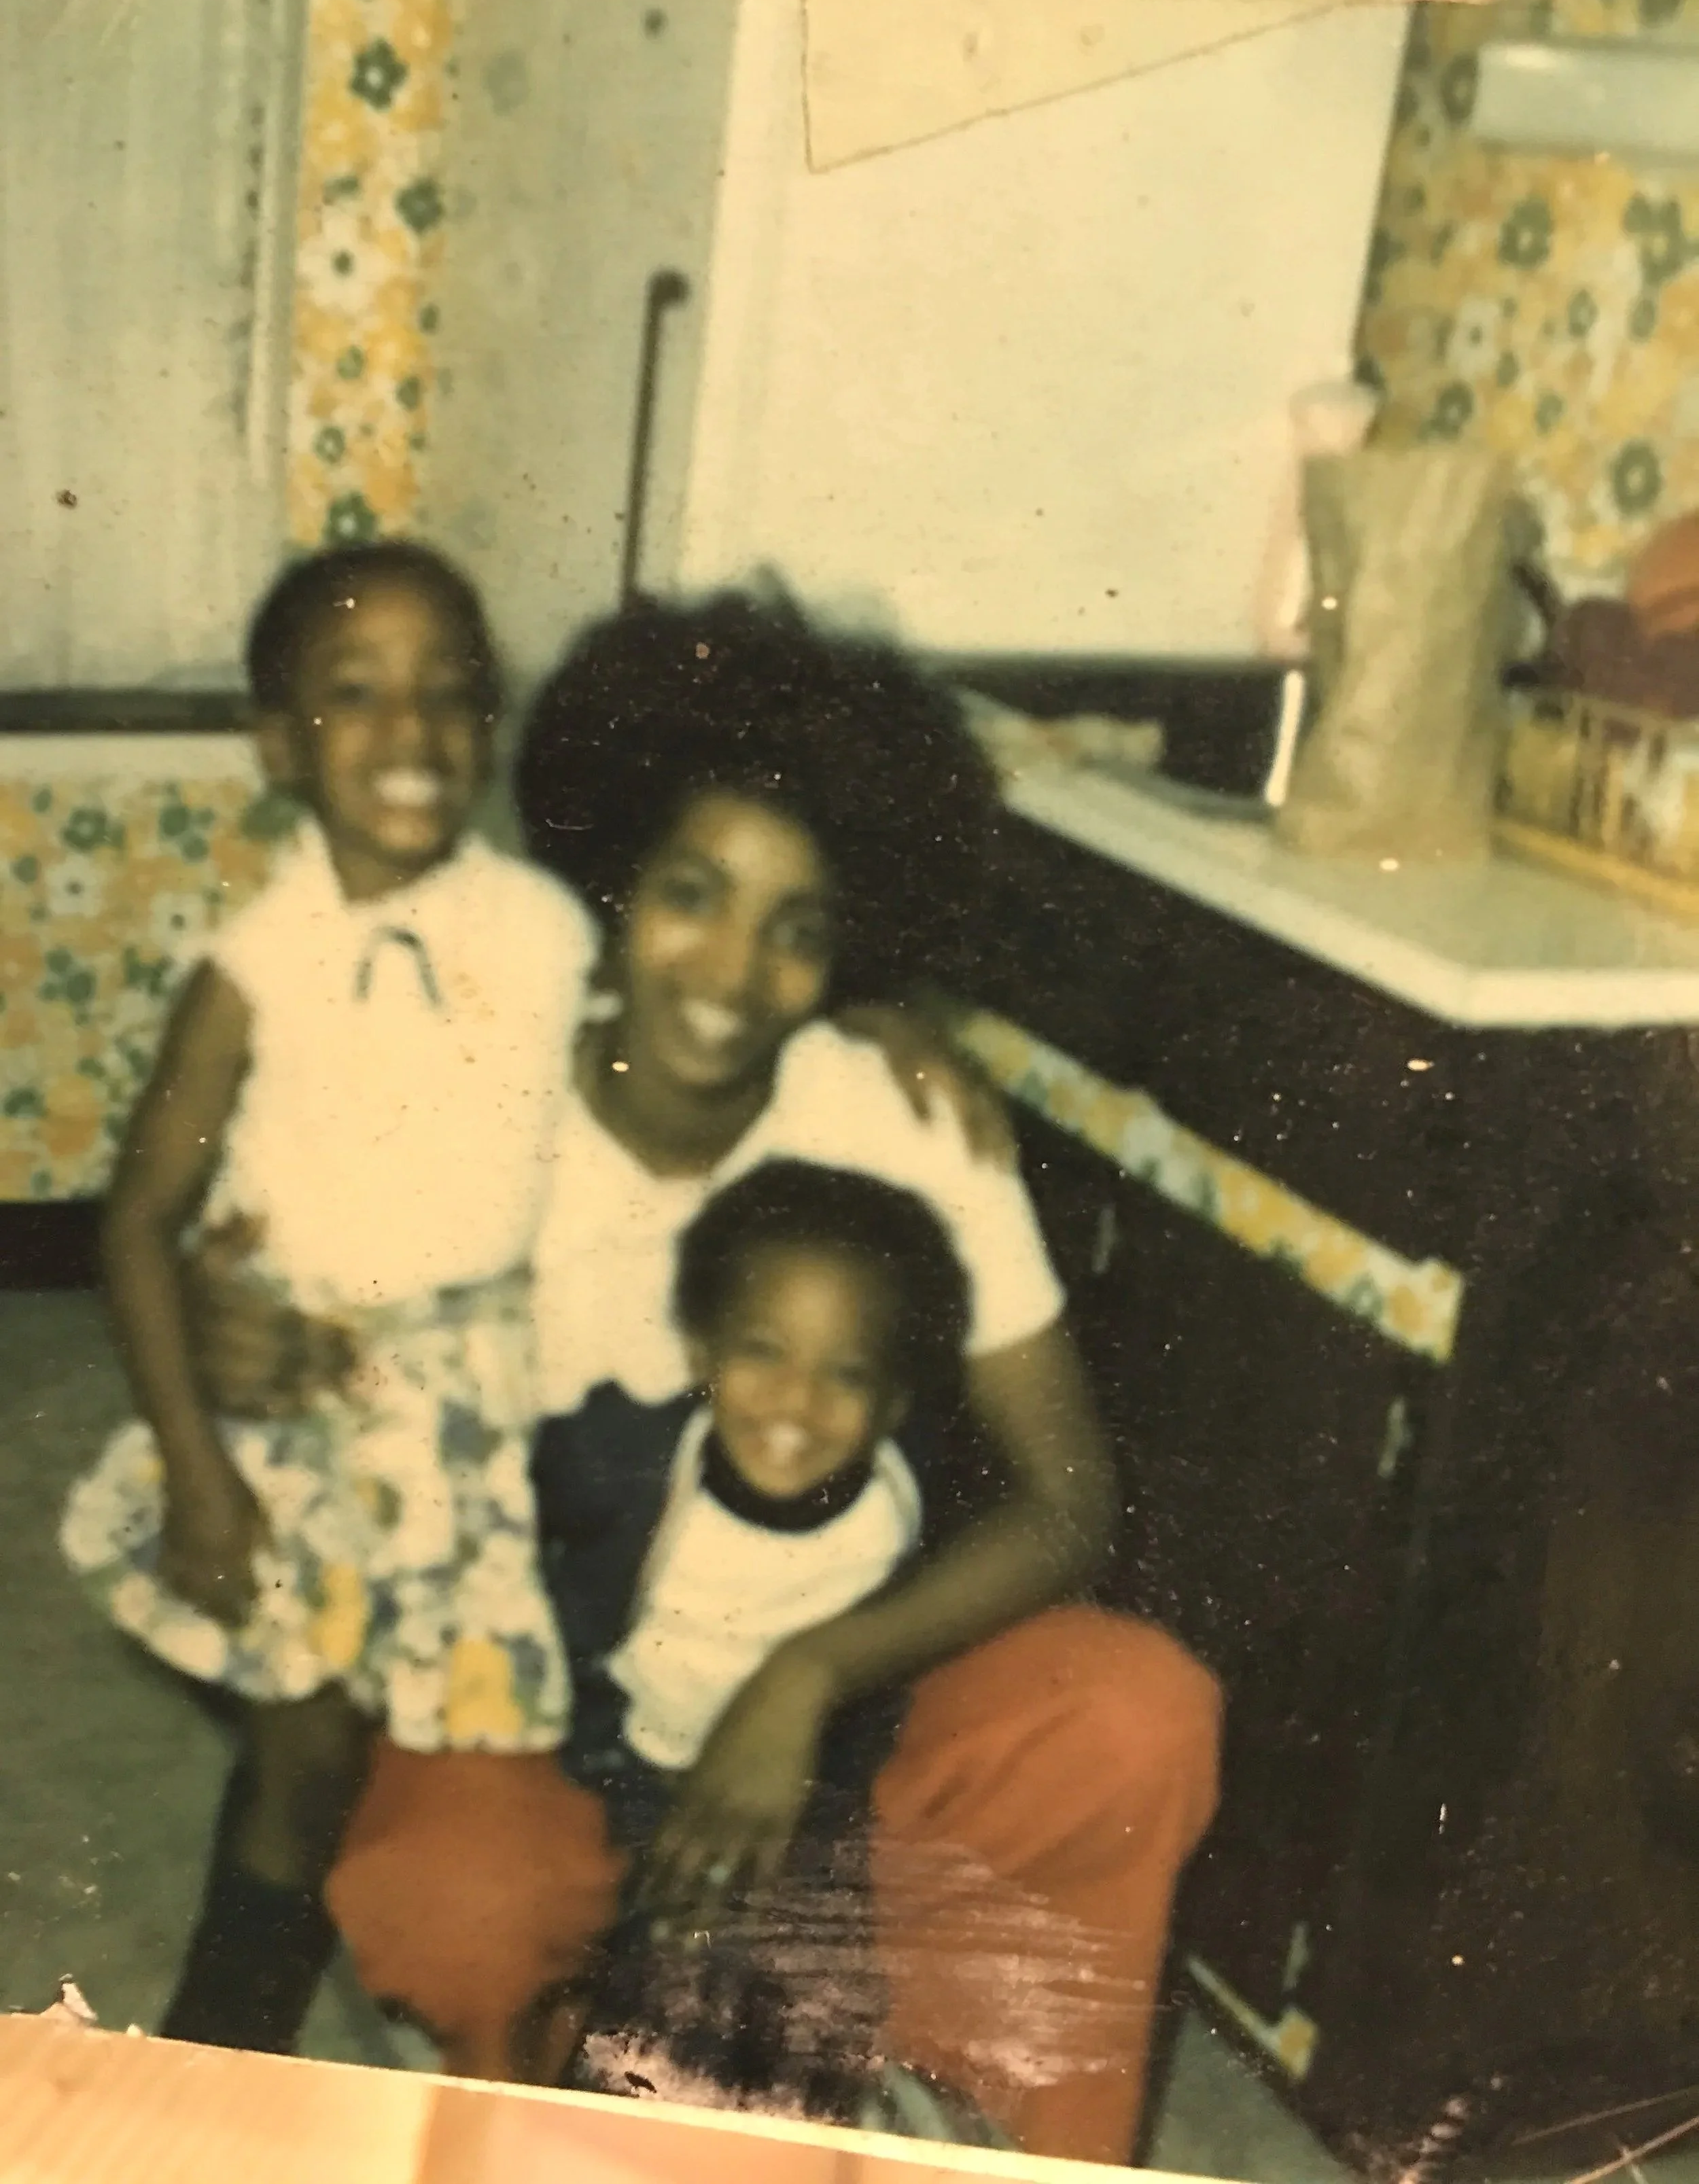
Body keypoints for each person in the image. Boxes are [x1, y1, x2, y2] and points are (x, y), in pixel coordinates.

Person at [187, 586, 1223, 2163]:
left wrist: (801, 1680)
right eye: (690, 893)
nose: (730, 970)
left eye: (798, 928)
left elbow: (1073, 1497)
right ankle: (562, 2063)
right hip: (532, 1695)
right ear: (608, 878)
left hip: (830, 1693)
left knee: (1135, 1712)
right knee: (463, 1905)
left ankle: (1003, 2103)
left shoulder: (890, 1110)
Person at [59, 542, 597, 2054]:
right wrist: (196, 1467)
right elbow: (138, 1219)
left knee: (398, 1734)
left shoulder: (549, 932)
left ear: (487, 727)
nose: (406, 734)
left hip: (474, 1412)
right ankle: (219, 2046)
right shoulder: (255, 963)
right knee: (304, 1751)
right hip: (304, 1400)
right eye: (352, 696)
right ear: (280, 741)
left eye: (445, 696)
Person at [544, 1157, 973, 2120]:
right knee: (634, 1976)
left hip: (799, 1801)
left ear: (897, 1405)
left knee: (807, 1994)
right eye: (763, 1353)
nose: (795, 1403)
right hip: (625, 1768)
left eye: (846, 1375)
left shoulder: (899, 1508)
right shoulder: (638, 1468)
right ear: (701, 1352)